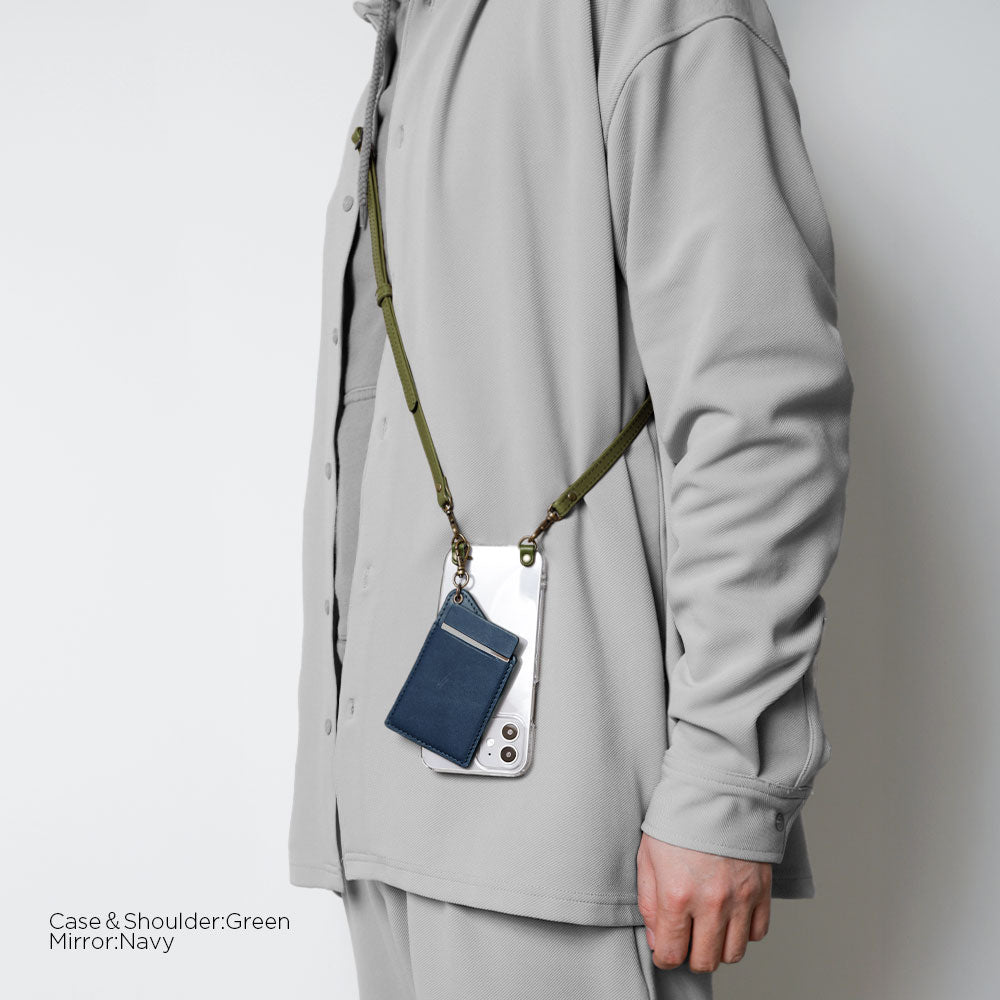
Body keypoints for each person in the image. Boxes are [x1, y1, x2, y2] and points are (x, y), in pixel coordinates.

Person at [289, 1, 854, 997]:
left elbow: (757, 399)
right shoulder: (408, 42)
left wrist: (726, 779)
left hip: (563, 834)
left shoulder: (644, 10)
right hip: (384, 822)